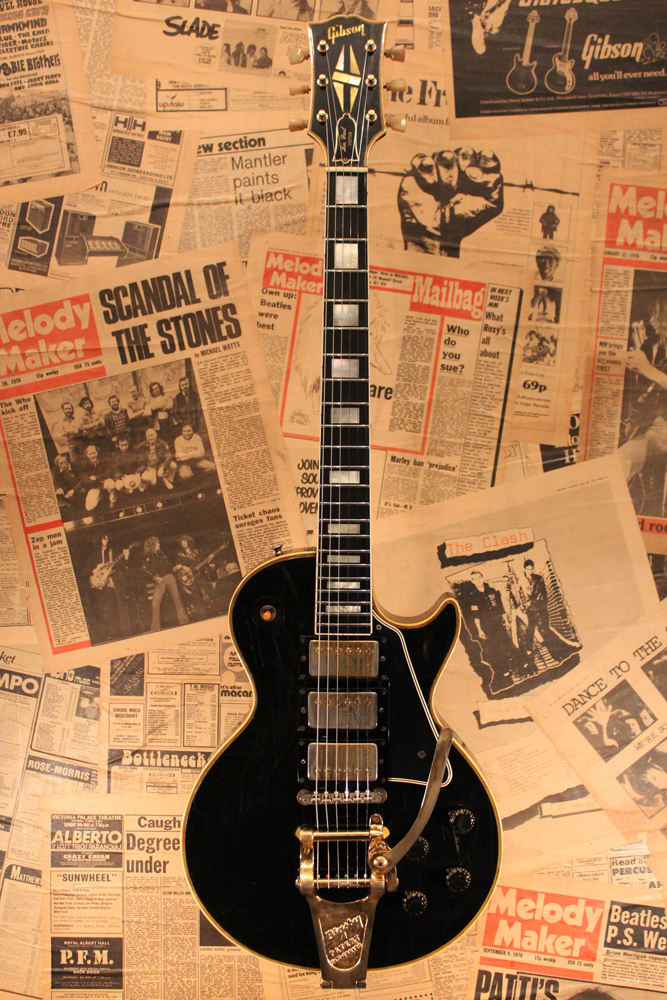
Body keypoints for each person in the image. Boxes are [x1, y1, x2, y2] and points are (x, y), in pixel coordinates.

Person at [398, 148, 503, 257]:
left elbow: (444, 222)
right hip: (424, 259)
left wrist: (452, 204)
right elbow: (439, 222)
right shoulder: (413, 186)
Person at [521, 559, 579, 666]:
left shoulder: (538, 579)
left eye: (531, 569)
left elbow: (542, 594)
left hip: (540, 607)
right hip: (531, 610)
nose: (530, 571)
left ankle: (557, 654)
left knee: (545, 630)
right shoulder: (522, 581)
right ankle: (529, 651)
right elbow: (524, 597)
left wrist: (537, 605)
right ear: (524, 569)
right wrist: (527, 605)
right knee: (531, 629)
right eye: (528, 569)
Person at [88, 531, 132, 640]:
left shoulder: (113, 551)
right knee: (107, 611)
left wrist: (126, 558)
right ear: (99, 539)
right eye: (104, 538)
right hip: (104, 587)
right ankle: (112, 634)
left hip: (116, 583)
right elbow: (85, 571)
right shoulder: (94, 555)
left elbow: (122, 567)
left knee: (122, 609)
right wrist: (96, 569)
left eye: (107, 538)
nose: (106, 540)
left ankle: (126, 633)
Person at [143, 536, 189, 631]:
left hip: (170, 577)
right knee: (155, 604)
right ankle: (155, 628)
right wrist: (154, 577)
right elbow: (145, 570)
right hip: (160, 581)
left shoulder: (162, 554)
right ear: (153, 545)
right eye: (157, 543)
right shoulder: (148, 558)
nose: (159, 544)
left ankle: (184, 622)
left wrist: (176, 567)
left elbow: (170, 564)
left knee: (177, 600)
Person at [75, 444, 117, 510]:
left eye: (94, 453)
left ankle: (113, 500)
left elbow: (109, 473)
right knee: (89, 507)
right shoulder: (85, 466)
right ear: (87, 455)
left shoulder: (103, 461)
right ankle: (101, 496)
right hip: (95, 486)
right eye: (90, 454)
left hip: (104, 482)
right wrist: (96, 482)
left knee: (110, 483)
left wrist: (96, 478)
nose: (93, 455)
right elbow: (86, 481)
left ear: (97, 453)